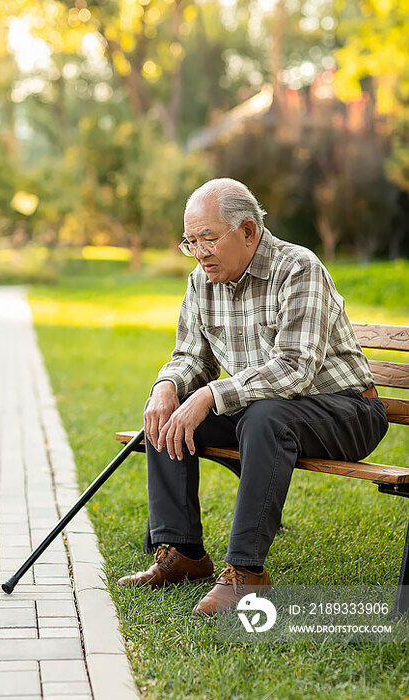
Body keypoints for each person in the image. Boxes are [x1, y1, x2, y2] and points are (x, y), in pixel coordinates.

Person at [117, 178, 389, 617]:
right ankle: (183, 553)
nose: (200, 251)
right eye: (191, 241)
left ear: (248, 231)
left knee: (264, 417)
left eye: (208, 238)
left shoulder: (299, 268)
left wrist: (210, 394)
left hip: (347, 410)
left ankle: (247, 573)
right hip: (265, 411)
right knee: (169, 415)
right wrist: (167, 386)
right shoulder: (201, 282)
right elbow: (190, 356)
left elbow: (295, 367)